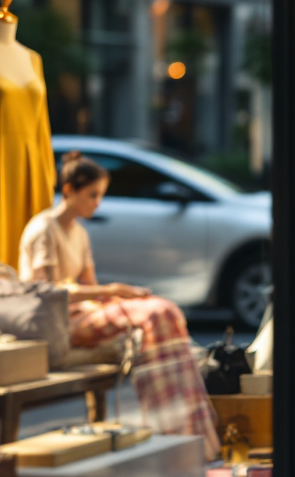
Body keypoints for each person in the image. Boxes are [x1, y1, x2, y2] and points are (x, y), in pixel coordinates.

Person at [20, 151, 220, 458]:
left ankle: (189, 434)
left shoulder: (79, 233)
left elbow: (89, 288)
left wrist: (121, 295)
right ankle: (174, 436)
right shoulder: (43, 228)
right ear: (69, 191)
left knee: (164, 311)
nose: (98, 202)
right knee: (154, 316)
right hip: (57, 324)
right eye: (93, 195)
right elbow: (46, 294)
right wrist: (113, 291)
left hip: (84, 315)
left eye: (101, 195)